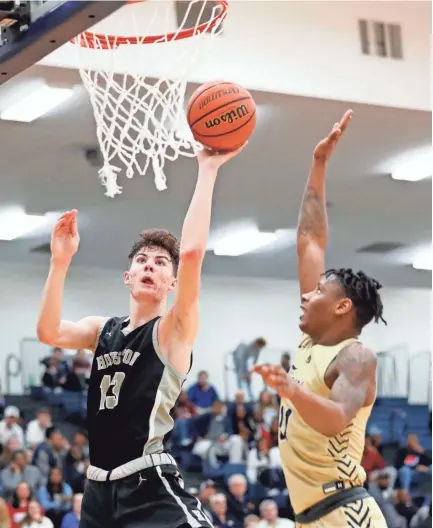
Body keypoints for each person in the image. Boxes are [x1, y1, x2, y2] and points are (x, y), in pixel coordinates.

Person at [36, 144, 246, 528]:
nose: (150, 265)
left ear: (172, 282)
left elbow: (195, 253)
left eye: (162, 262)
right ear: (128, 276)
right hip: (98, 491)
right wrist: (59, 262)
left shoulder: (172, 331)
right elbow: (48, 331)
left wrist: (208, 169)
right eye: (142, 260)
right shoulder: (103, 330)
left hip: (149, 484)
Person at [252, 111, 388, 527]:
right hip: (311, 517)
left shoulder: (355, 356)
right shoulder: (312, 344)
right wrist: (319, 164)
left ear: (342, 306)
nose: (306, 294)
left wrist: (290, 389)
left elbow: (334, 420)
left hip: (346, 513)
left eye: (318, 292)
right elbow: (309, 241)